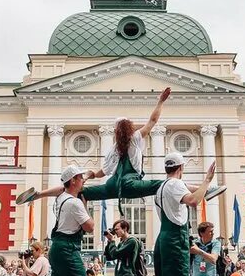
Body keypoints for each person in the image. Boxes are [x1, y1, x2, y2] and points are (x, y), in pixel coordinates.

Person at [15, 89, 225, 208]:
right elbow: (152, 121)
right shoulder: (134, 138)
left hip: (113, 186)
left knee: (74, 190)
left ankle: (39, 194)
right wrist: (160, 101)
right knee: (168, 183)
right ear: (129, 127)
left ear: (115, 132)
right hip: (132, 184)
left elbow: (100, 172)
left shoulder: (113, 150)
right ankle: (206, 190)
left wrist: (86, 175)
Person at [152, 153, 216, 276]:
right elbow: (193, 200)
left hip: (162, 239)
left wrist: (207, 188)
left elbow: (194, 191)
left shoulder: (161, 187)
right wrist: (207, 179)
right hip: (175, 239)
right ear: (181, 167)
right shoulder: (176, 184)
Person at [41, 165, 95, 276]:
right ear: (73, 181)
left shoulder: (60, 198)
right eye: (80, 178)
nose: (82, 181)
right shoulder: (75, 202)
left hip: (57, 247)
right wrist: (86, 208)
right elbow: (90, 226)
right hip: (68, 248)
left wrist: (86, 175)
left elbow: (65, 188)